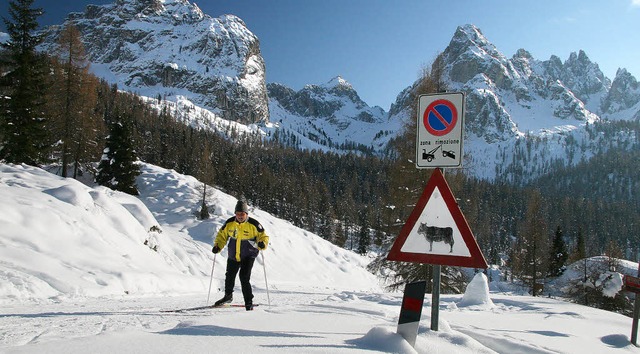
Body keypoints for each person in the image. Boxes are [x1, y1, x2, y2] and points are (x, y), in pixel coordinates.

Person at [212, 200, 269, 310]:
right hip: (233, 254)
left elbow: (263, 236)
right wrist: (218, 246)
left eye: (242, 214)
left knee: (244, 277)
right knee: (229, 276)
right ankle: (228, 296)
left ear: (246, 214)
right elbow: (222, 236)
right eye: (238, 214)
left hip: (248, 255)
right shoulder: (229, 223)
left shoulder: (254, 224)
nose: (240, 216)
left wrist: (262, 243)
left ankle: (248, 301)